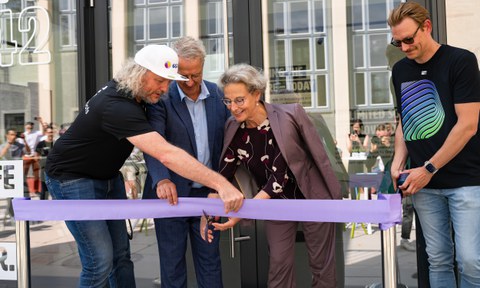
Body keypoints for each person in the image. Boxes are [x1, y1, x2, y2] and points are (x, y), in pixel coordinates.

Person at [44, 44, 244, 288]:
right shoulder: (118, 105)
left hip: (108, 178)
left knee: (121, 258)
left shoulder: (138, 94)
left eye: (169, 81)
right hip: (72, 179)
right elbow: (167, 154)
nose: (165, 88)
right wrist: (222, 185)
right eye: (160, 80)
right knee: (99, 261)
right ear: (139, 73)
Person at [206, 63, 342, 288]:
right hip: (275, 203)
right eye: (228, 101)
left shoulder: (291, 114)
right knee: (279, 262)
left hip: (312, 197)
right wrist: (213, 203)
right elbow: (226, 169)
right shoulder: (233, 126)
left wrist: (243, 210)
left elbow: (284, 175)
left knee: (321, 264)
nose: (233, 107)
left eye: (239, 100)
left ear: (256, 94)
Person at [388, 1, 480, 287]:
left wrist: (428, 167)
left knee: (470, 260)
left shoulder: (461, 61)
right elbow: (406, 120)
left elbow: (468, 125)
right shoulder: (400, 70)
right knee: (437, 260)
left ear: (426, 27)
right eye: (396, 42)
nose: (403, 47)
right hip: (424, 185)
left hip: (465, 180)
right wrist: (397, 160)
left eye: (408, 39)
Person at [143, 37, 230, 288]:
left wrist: (220, 185)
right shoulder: (163, 98)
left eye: (196, 74)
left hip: (208, 197)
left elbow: (227, 146)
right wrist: (161, 179)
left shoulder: (217, 95)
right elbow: (153, 142)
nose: (191, 82)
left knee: (210, 262)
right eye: (184, 76)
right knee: (172, 267)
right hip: (171, 198)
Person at [0, 128, 29, 217]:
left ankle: (23, 212)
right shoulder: (3, 145)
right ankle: (12, 214)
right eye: (12, 134)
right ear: (7, 135)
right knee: (10, 196)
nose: (14, 137)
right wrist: (9, 143)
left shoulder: (20, 145)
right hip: (8, 172)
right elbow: (1, 155)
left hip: (19, 171)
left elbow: (28, 151)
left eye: (15, 135)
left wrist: (24, 140)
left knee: (23, 192)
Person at [34, 125, 55, 200]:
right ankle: (43, 206)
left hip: (55, 170)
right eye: (49, 132)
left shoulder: (56, 143)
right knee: (44, 189)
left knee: (55, 190)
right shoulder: (41, 144)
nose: (50, 134)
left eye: (52, 132)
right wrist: (41, 164)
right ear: (46, 133)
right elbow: (36, 156)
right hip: (44, 170)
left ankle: (56, 206)